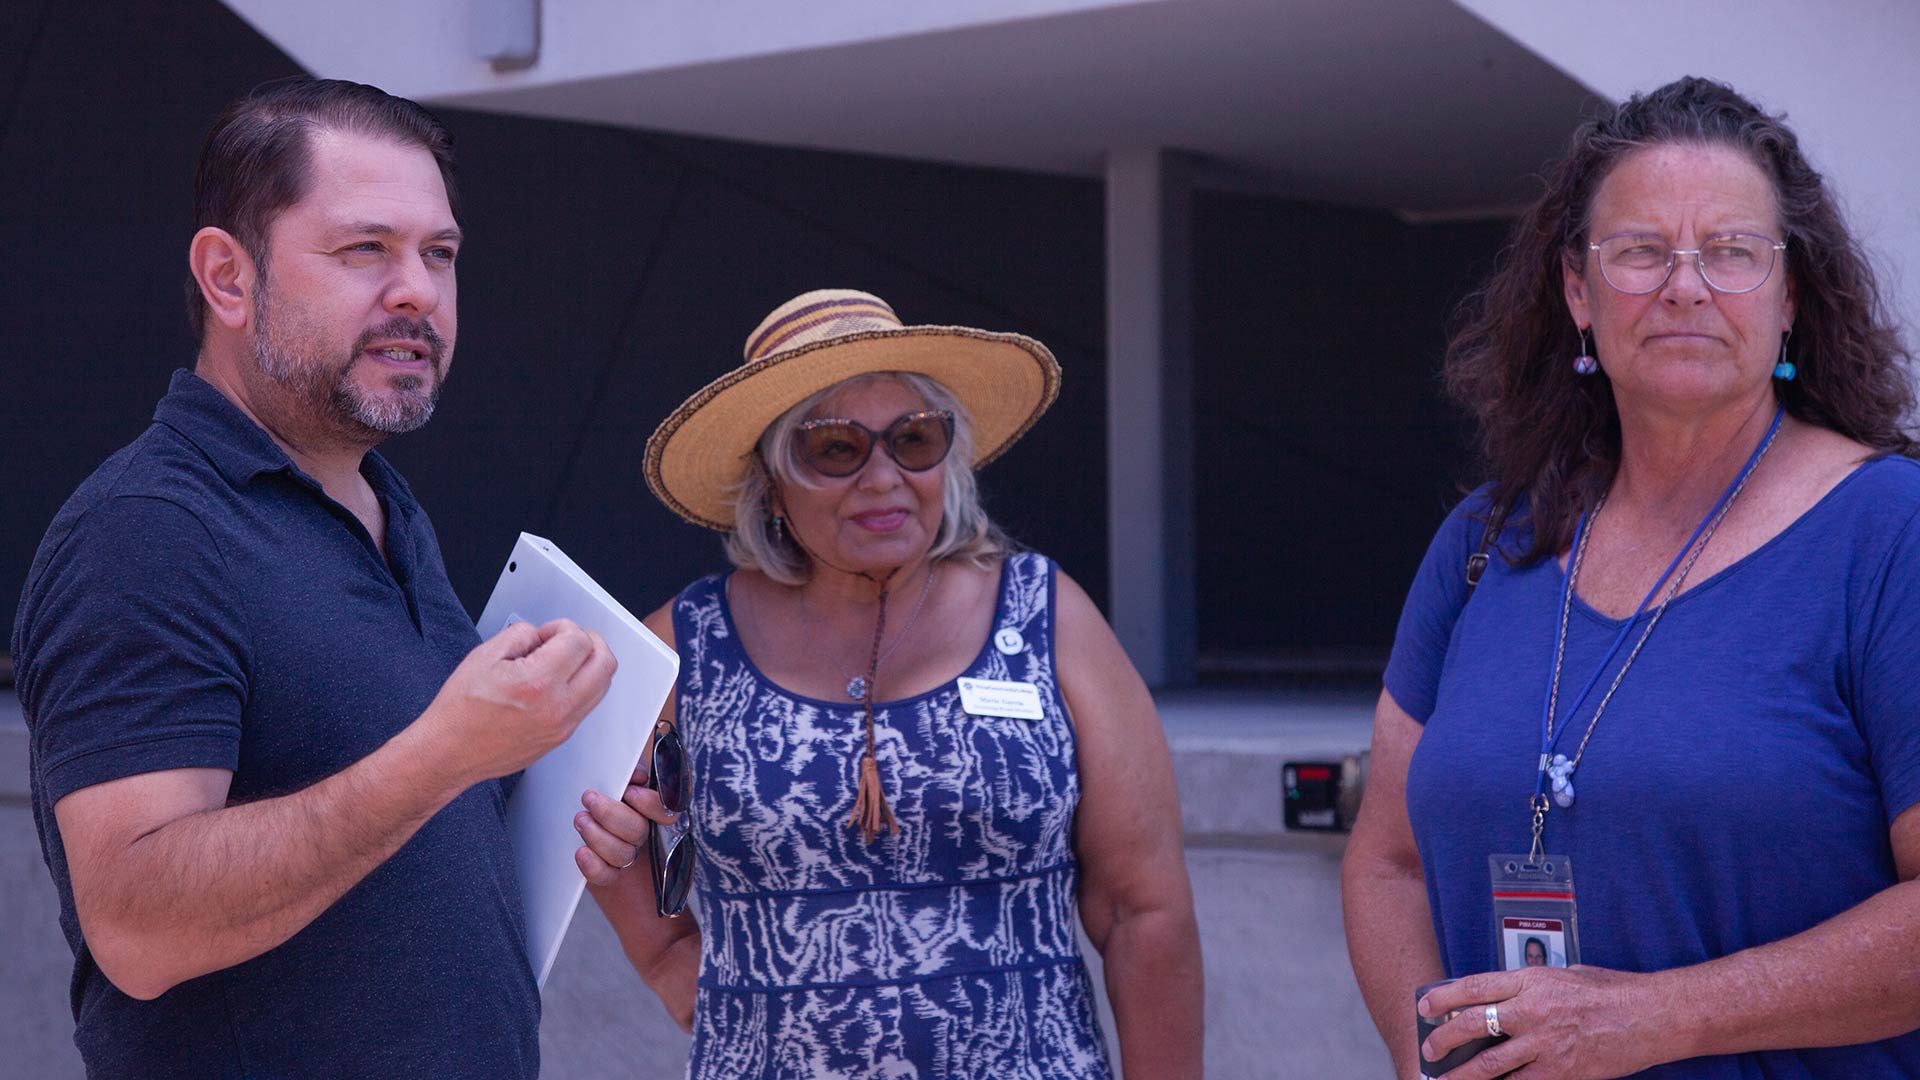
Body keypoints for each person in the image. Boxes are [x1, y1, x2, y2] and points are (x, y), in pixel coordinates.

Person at [10, 78, 637, 1077]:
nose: (419, 293)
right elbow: (136, 926)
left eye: (440, 254)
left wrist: (558, 770)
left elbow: (391, 836)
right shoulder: (148, 530)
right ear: (229, 277)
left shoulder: (388, 510)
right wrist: (444, 752)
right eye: (364, 250)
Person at [1341, 76, 1920, 1080]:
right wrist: (1431, 1056)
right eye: (1642, 251)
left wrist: (1664, 1019)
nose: (1685, 285)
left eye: (1733, 253)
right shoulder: (1485, 542)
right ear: (1579, 290)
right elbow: (1385, 860)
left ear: (1789, 297)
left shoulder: (1889, 535)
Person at [586, 289, 1204, 1079]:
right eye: (835, 448)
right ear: (772, 484)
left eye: (913, 439)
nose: (883, 476)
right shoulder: (690, 640)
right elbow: (577, 789)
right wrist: (663, 950)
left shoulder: (1044, 613)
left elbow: (1140, 909)